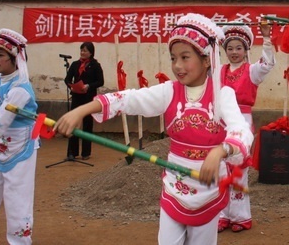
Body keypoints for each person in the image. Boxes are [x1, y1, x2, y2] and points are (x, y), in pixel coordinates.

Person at [55, 13, 254, 245]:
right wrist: (80, 111)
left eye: (185, 57)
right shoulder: (169, 91)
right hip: (175, 187)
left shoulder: (223, 94)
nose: (177, 66)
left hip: (209, 189)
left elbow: (241, 129)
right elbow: (128, 99)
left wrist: (220, 151)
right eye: (173, 58)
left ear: (207, 59)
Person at [0, 29, 38, 245]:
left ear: (14, 57)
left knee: (17, 199)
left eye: (2, 55)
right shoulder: (1, 78)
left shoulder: (20, 89)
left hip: (20, 150)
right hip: (0, 150)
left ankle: (19, 242)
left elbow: (1, 121)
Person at [217, 21, 275, 233]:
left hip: (241, 120)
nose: (234, 52)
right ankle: (221, 214)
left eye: (238, 48)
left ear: (246, 50)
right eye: (230, 48)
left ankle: (240, 217)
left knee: (239, 167)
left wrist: (267, 38)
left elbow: (268, 64)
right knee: (221, 167)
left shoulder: (251, 71)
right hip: (221, 121)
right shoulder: (219, 71)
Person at [64, 42, 104, 160]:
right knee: (73, 123)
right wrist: (70, 86)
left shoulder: (96, 65)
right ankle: (72, 152)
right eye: (81, 50)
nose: (82, 53)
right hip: (77, 96)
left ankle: (86, 152)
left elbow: (100, 81)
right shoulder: (75, 64)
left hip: (89, 98)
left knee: (87, 124)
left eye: (85, 51)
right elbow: (67, 79)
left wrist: (88, 86)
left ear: (91, 53)